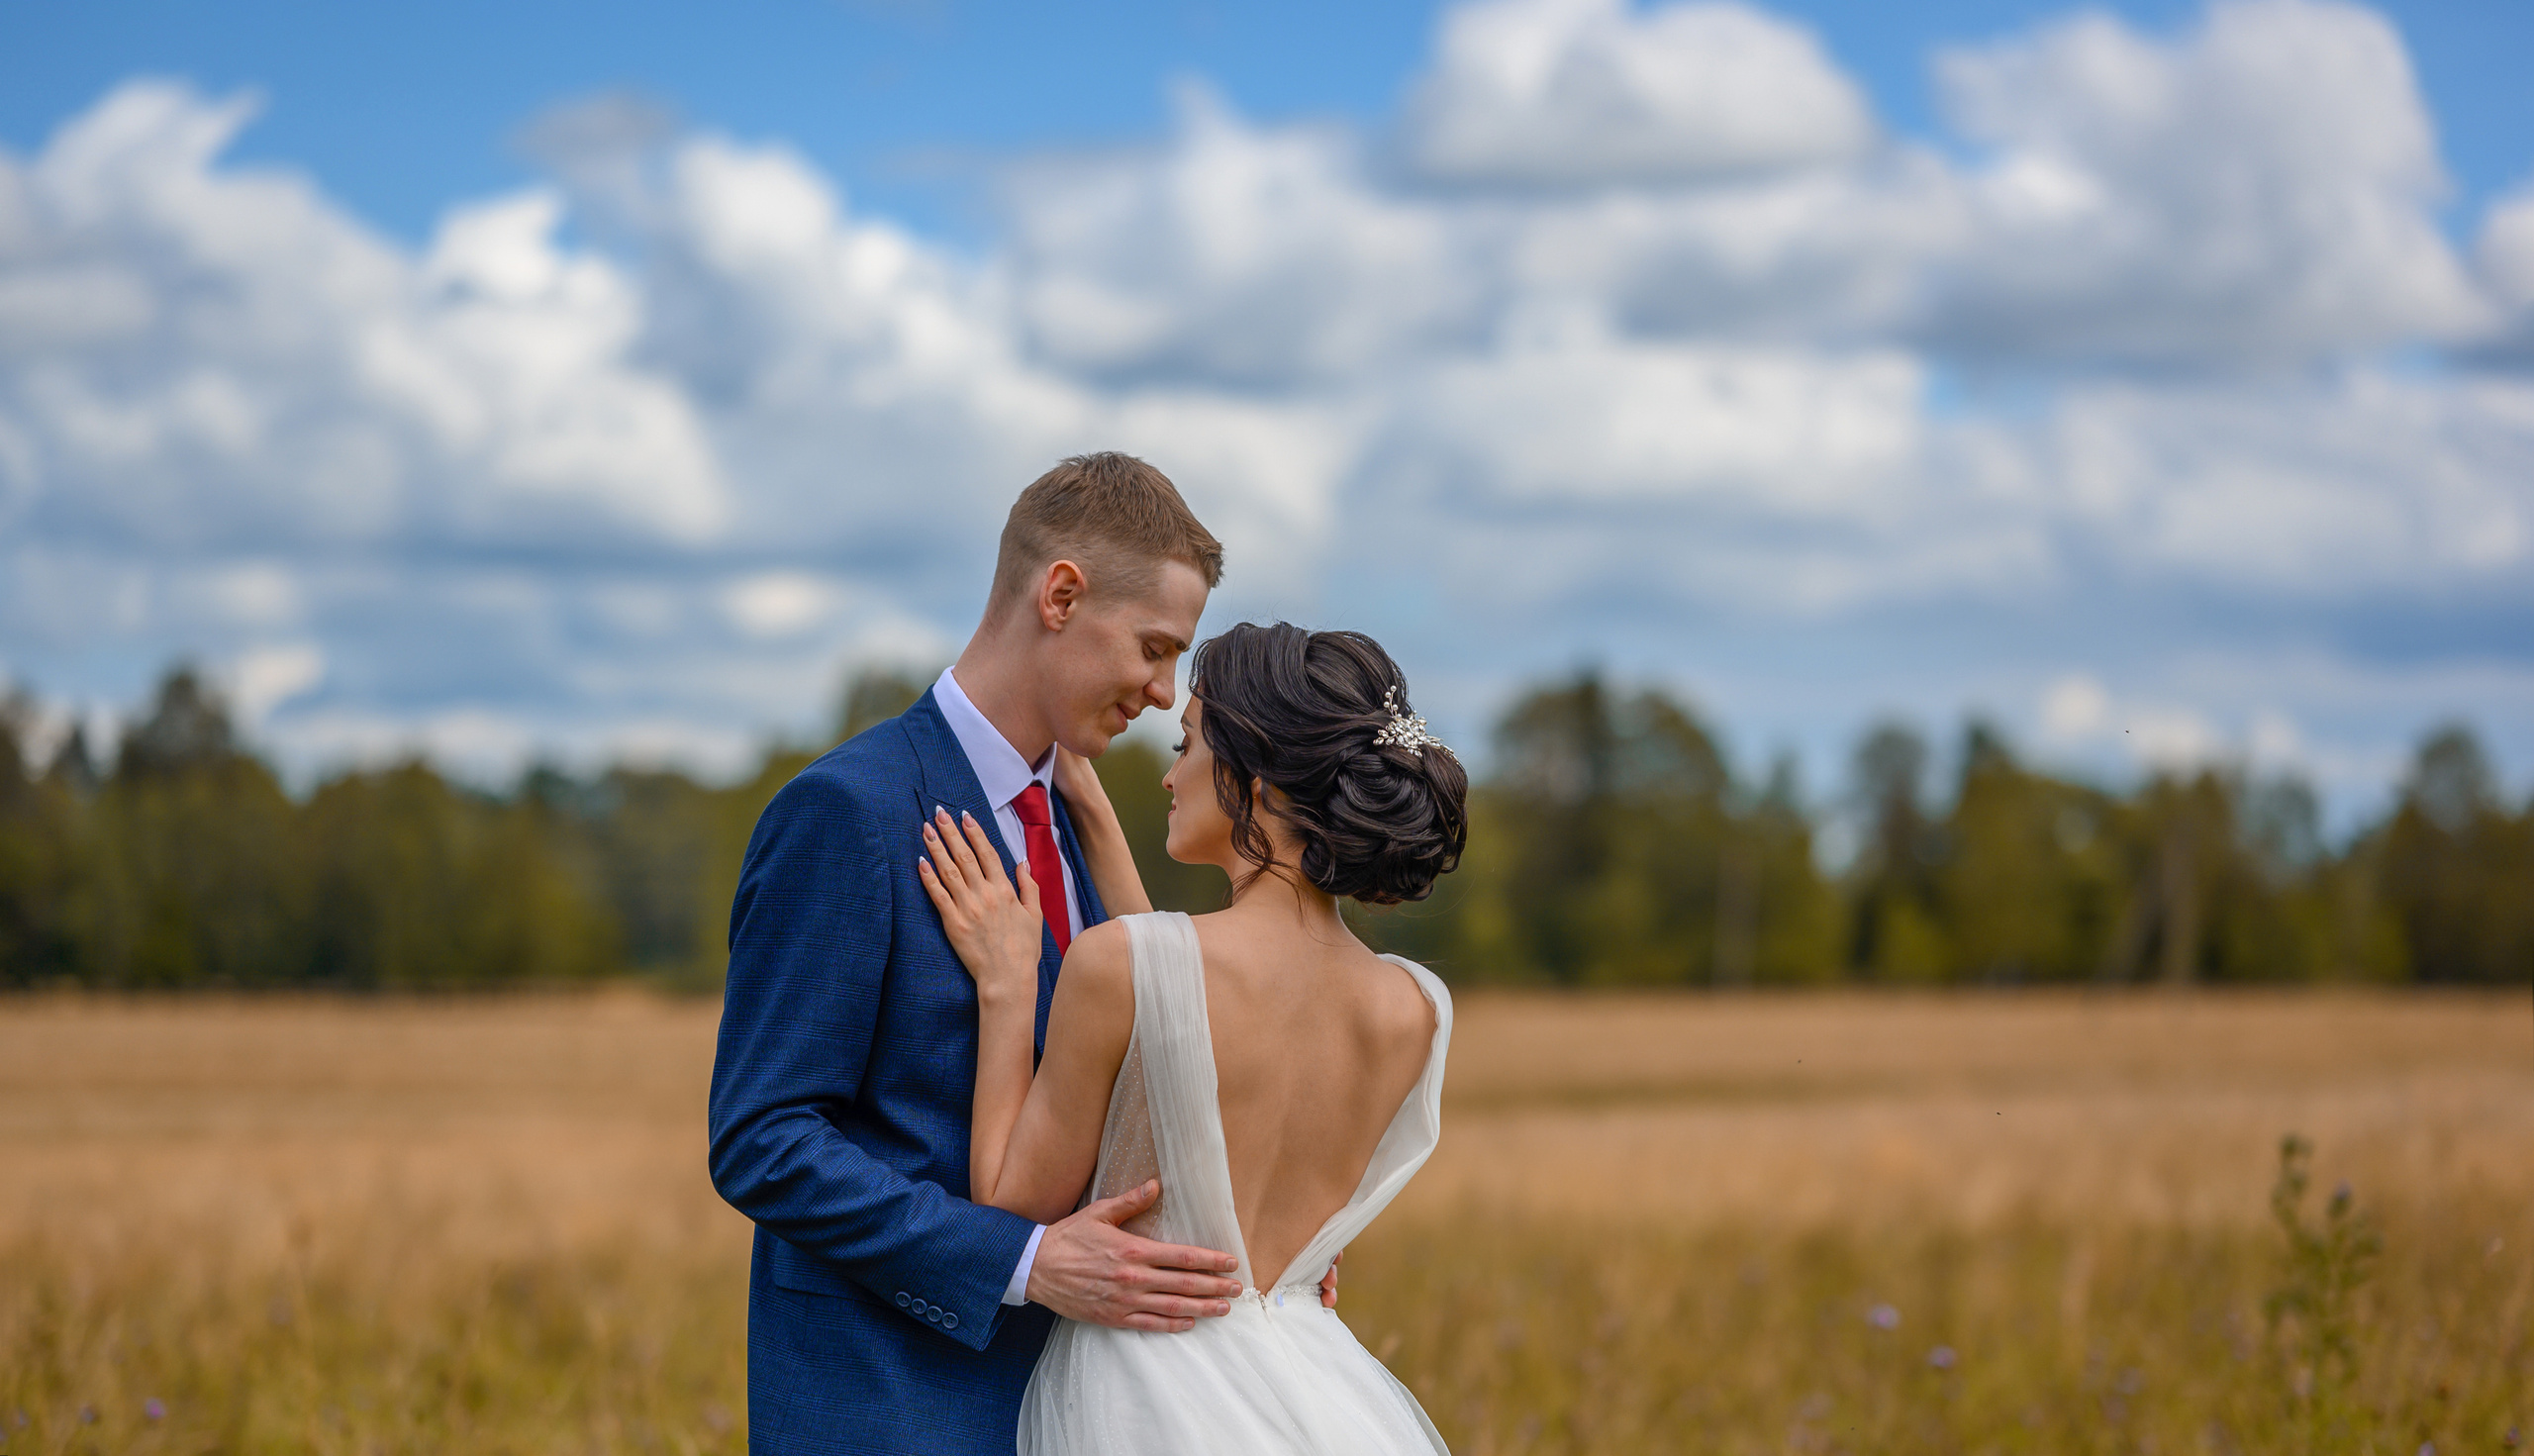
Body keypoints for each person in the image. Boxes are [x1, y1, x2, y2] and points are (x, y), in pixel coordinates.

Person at [711, 453, 1313, 1455]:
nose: (1165, 695)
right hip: (889, 1403)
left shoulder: (1085, 822)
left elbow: (1133, 1104)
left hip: (1097, 1406)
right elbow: (762, 1139)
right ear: (1062, 594)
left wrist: (1253, 1249)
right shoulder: (846, 813)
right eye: (1154, 648)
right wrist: (1023, 1260)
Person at [918, 621, 1470, 1454]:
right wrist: (1096, 825)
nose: (1173, 773)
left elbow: (1010, 1209)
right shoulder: (1416, 1008)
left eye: (1187, 744)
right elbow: (1180, 1013)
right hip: (1321, 1393)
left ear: (1257, 777)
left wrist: (1008, 985)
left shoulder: (1114, 967)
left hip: (1146, 1394)